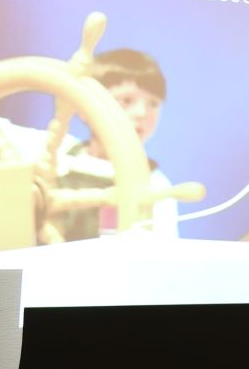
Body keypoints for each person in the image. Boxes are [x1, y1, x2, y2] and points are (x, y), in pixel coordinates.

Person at [55, 48, 179, 241]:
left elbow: (163, 255)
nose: (141, 112)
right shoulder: (59, 153)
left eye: (153, 104)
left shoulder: (156, 185)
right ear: (85, 109)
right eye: (127, 100)